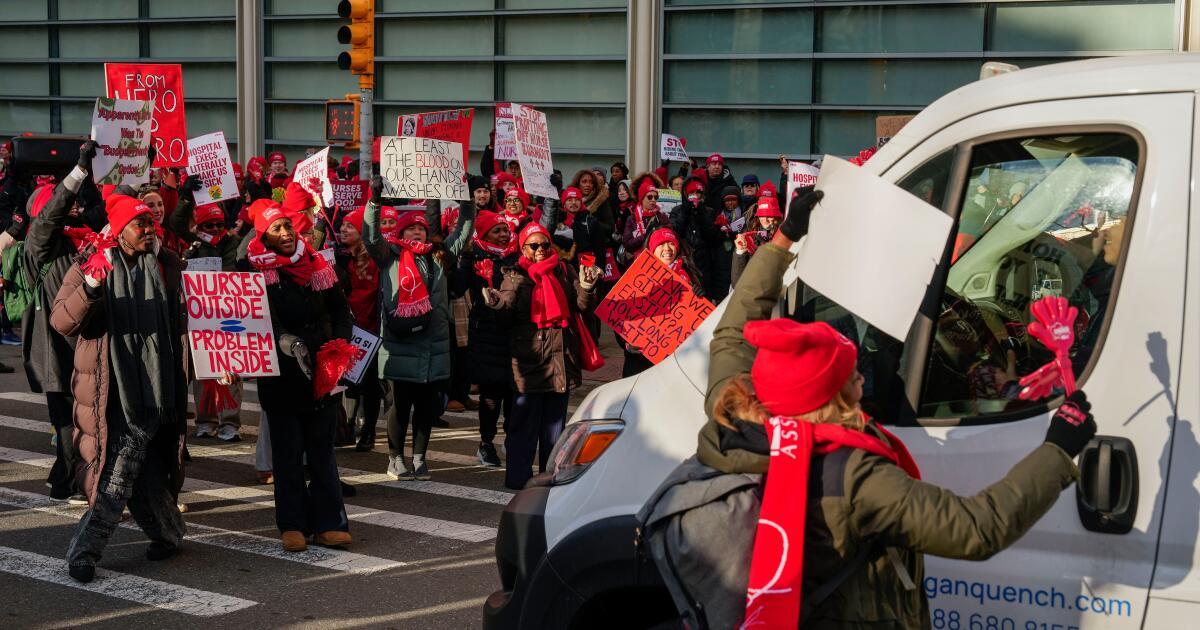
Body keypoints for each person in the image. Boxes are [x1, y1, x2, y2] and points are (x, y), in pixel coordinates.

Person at [638, 189, 1097, 629]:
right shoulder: (852, 475)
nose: (864, 381)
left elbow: (735, 328)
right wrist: (1058, 450)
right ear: (830, 399)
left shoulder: (732, 410)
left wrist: (784, 238)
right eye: (853, 378)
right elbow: (976, 529)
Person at [51, 192, 189, 583]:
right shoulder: (89, 264)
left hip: (161, 390)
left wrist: (220, 362)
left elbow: (190, 323)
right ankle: (84, 553)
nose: (148, 229)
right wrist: (92, 287)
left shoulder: (168, 265)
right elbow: (61, 321)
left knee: (145, 470)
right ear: (120, 231)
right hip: (114, 392)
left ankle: (168, 535)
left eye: (150, 223)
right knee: (118, 473)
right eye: (139, 224)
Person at [245, 198, 353, 552]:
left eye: (288, 226)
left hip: (322, 369)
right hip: (281, 375)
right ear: (264, 237)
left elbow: (339, 308)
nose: (286, 233)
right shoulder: (255, 270)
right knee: (288, 455)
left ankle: (330, 523)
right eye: (276, 229)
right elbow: (255, 318)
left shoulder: (317, 263)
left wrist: (339, 343)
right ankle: (292, 524)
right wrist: (282, 340)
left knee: (322, 452)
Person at [365, 176, 474, 481]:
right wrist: (374, 202)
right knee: (400, 404)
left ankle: (420, 458)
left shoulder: (440, 257)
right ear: (400, 232)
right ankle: (395, 457)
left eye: (421, 227)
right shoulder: (390, 256)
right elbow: (371, 236)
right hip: (400, 342)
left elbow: (464, 231)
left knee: (426, 407)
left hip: (433, 343)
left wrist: (467, 200)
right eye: (410, 227)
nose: (417, 231)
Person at [482, 223, 602, 489]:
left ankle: (551, 478)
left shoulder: (565, 269)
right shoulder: (514, 275)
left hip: (560, 358)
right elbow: (507, 317)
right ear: (523, 248)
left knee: (554, 431)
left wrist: (587, 287)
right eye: (533, 245)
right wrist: (497, 303)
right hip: (529, 359)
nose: (540, 250)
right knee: (523, 428)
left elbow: (581, 307)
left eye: (544, 245)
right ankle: (518, 480)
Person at [20, 143, 104, 505]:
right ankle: (69, 482)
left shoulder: (81, 239)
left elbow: (110, 210)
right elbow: (51, 215)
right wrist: (78, 171)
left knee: (88, 417)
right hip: (53, 349)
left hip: (85, 344)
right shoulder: (38, 244)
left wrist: (130, 171)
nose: (72, 208)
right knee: (68, 421)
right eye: (63, 204)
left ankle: (64, 476)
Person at [457, 210, 518, 467]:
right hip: (486, 334)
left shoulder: (516, 257)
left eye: (505, 230)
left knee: (516, 392)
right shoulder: (474, 258)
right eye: (497, 231)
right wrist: (466, 257)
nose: (504, 235)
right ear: (483, 234)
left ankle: (512, 437)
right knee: (492, 394)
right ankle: (486, 443)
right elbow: (458, 286)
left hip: (514, 334)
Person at [620, 228, 705, 378]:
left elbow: (700, 321)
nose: (667, 249)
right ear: (653, 248)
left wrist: (700, 297)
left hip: (678, 360)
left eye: (671, 244)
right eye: (662, 244)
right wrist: (627, 342)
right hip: (641, 361)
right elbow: (621, 316)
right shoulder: (638, 274)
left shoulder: (689, 274)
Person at [336, 206, 385, 452]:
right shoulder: (342, 257)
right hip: (348, 329)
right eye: (343, 224)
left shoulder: (375, 260)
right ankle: (350, 423)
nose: (343, 229)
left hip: (371, 331)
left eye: (350, 226)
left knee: (370, 385)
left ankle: (369, 431)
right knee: (349, 381)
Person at [670, 176, 720, 296]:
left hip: (704, 262)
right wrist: (685, 212)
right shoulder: (677, 210)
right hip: (684, 260)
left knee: (703, 296)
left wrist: (702, 214)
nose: (695, 195)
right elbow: (675, 233)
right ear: (686, 194)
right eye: (692, 192)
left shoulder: (709, 211)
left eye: (698, 192)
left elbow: (712, 237)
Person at [731, 194, 783, 287]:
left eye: (769, 216)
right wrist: (740, 252)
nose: (765, 220)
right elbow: (737, 283)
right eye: (762, 216)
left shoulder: (784, 239)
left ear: (777, 218)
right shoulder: (748, 239)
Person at [621, 180, 671, 261]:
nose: (653, 200)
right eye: (650, 197)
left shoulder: (662, 217)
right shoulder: (632, 218)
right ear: (642, 198)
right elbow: (627, 244)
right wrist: (645, 235)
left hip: (658, 260)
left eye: (656, 197)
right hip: (637, 261)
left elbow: (670, 238)